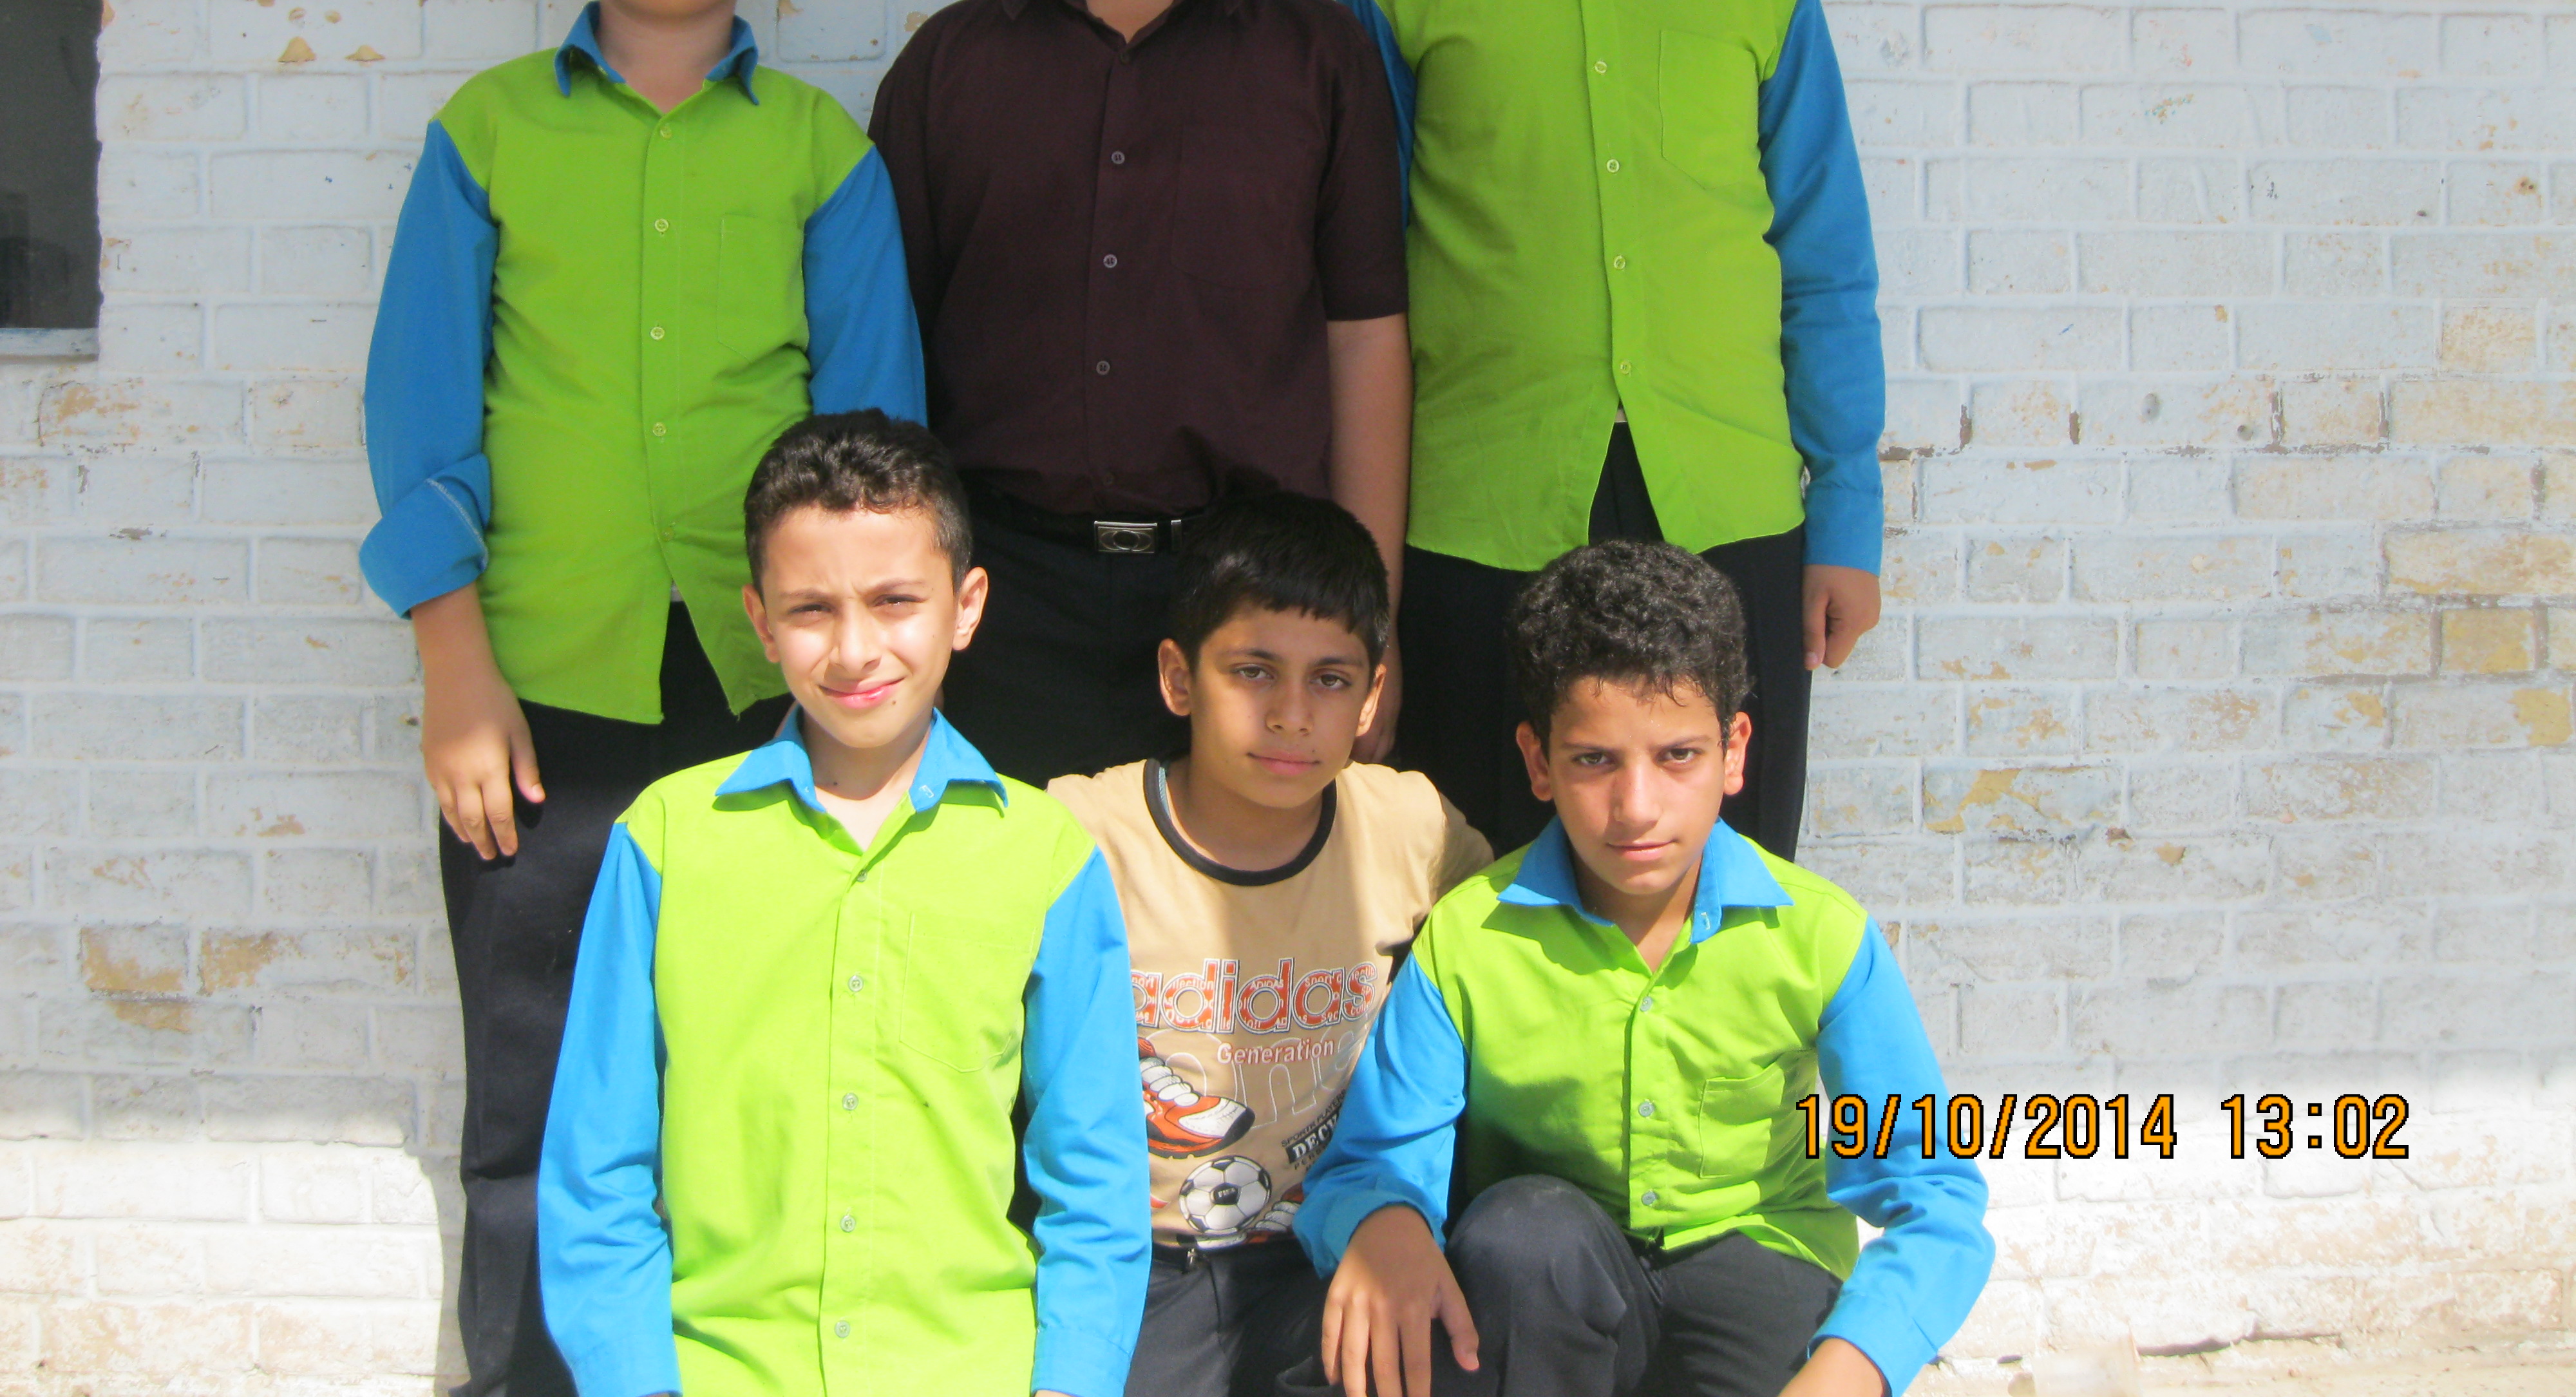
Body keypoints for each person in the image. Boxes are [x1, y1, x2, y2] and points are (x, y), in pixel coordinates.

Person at [359, 0, 923, 1396]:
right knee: (537, 1089)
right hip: (536, 693)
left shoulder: (821, 150)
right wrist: (453, 666)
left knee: (761, 1074)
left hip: (771, 694)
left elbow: (878, 440)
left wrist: (857, 703)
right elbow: (417, 408)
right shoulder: (487, 135)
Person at [1338, 0, 1884, 857]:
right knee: (1478, 871)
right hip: (1478, 514)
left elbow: (1822, 255)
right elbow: (1361, 288)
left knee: (1723, 874)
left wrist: (1847, 513)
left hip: (1729, 506)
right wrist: (1369, 581)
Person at [868, 0, 1412, 786]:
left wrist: (1370, 613)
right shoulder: (949, 67)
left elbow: (1364, 340)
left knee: (1236, 896)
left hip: (1258, 594)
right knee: (1017, 885)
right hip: (1002, 593)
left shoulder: (1318, 63)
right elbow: (888, 359)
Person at [538, 411, 1149, 1397]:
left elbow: (1097, 1176)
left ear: (967, 606)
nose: (856, 649)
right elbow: (595, 1169)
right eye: (812, 609)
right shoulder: (666, 840)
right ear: (760, 620)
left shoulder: (1045, 855)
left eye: (896, 600)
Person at [1291, 540, 1993, 1397]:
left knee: (1788, 1309)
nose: (1637, 807)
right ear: (1539, 762)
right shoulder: (1469, 938)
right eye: (1594, 760)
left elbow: (1934, 1196)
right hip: (1551, 1299)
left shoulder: (1823, 936)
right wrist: (1384, 1221)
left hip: (1761, 1272)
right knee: (1521, 1235)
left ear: (1734, 752)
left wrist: (1853, 1367)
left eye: (1678, 756)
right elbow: (1370, 1165)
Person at [1048, 494, 1491, 1397]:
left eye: (1330, 680)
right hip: (1134, 1273)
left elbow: (1521, 954)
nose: (1292, 714)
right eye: (1253, 672)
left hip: (1326, 1262)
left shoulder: (1411, 828)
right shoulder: (1081, 833)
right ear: (1179, 678)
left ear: (1372, 697)